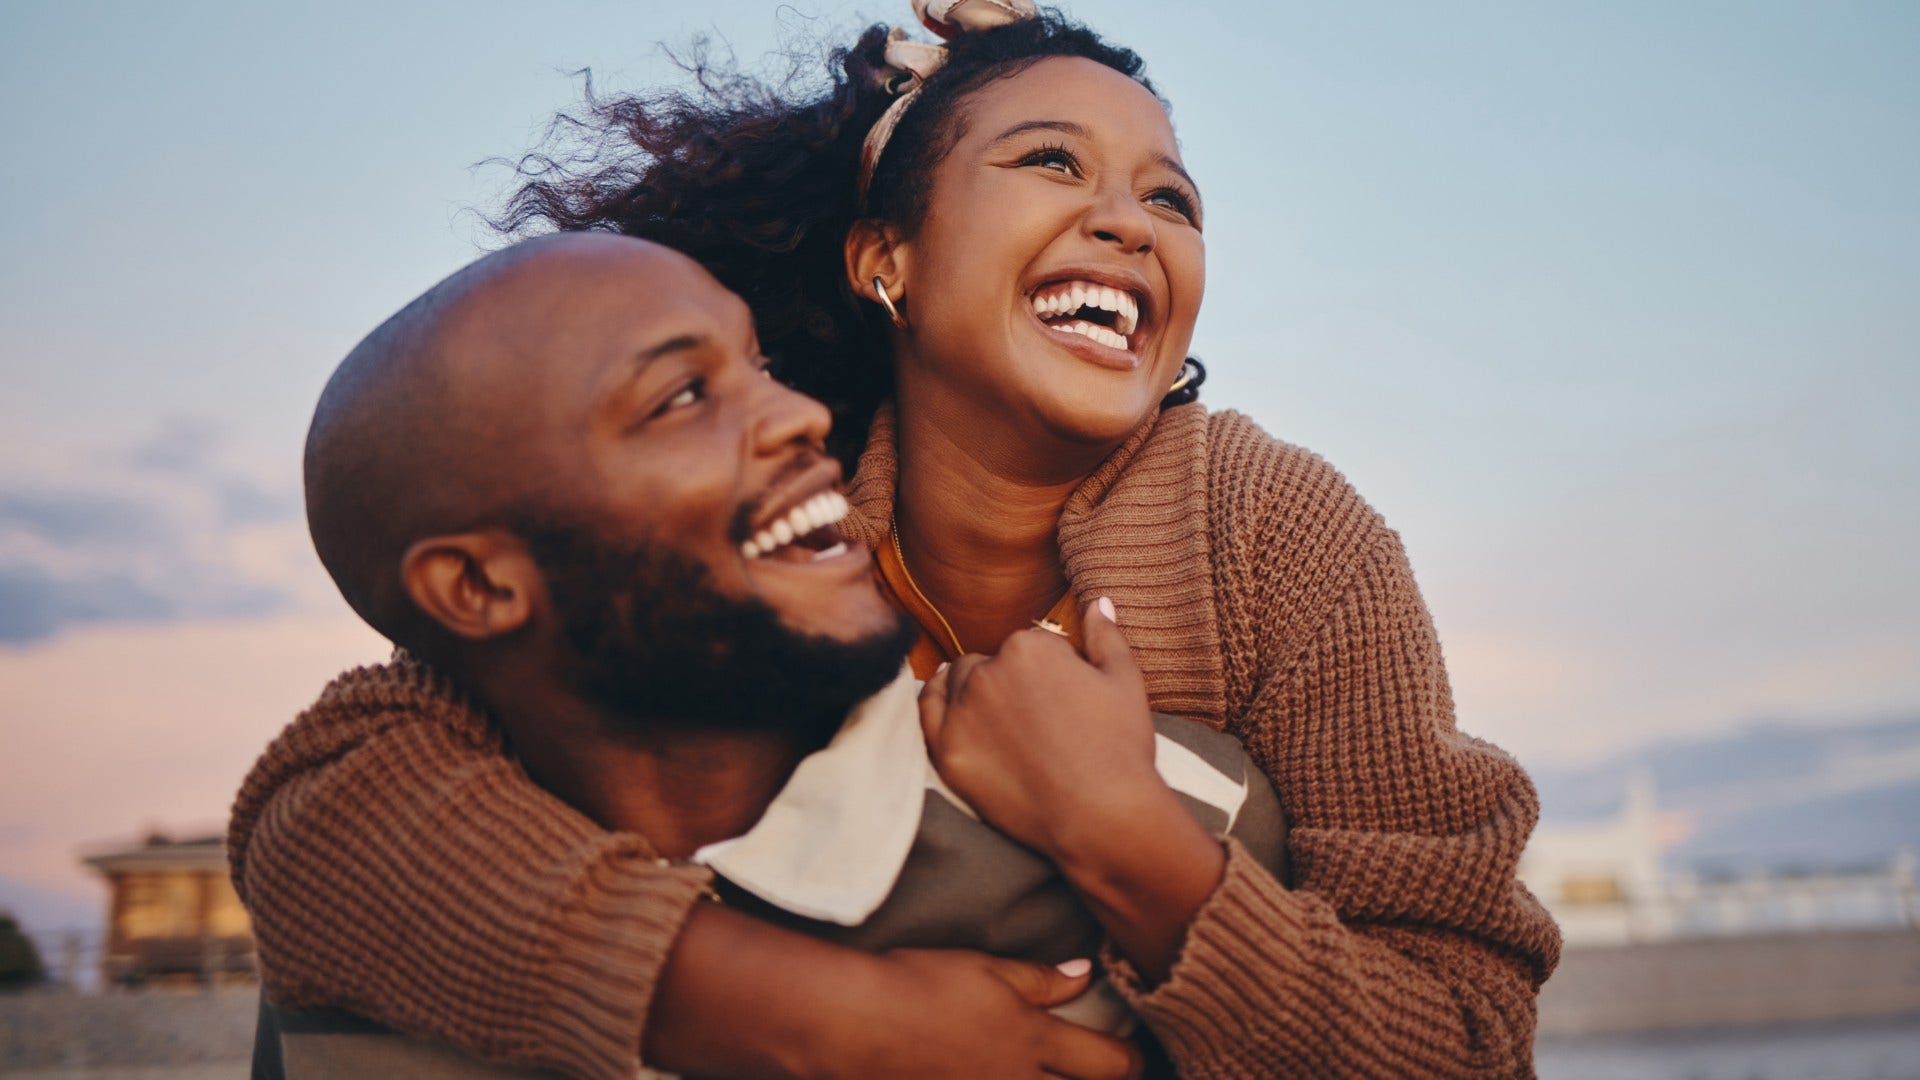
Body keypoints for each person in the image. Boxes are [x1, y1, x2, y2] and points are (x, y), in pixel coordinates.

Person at [233, 3, 1561, 1077]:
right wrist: (811, 1018)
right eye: (1051, 161)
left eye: (1174, 200)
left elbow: (1466, 1039)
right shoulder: (773, 511)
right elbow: (332, 806)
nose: (1128, 222)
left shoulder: (1275, 534)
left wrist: (1128, 834)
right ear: (887, 263)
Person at [236, 229, 1285, 1079]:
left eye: (760, 366)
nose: (798, 415)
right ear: (477, 590)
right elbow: (305, 811)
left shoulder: (1176, 818)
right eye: (681, 398)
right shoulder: (361, 958)